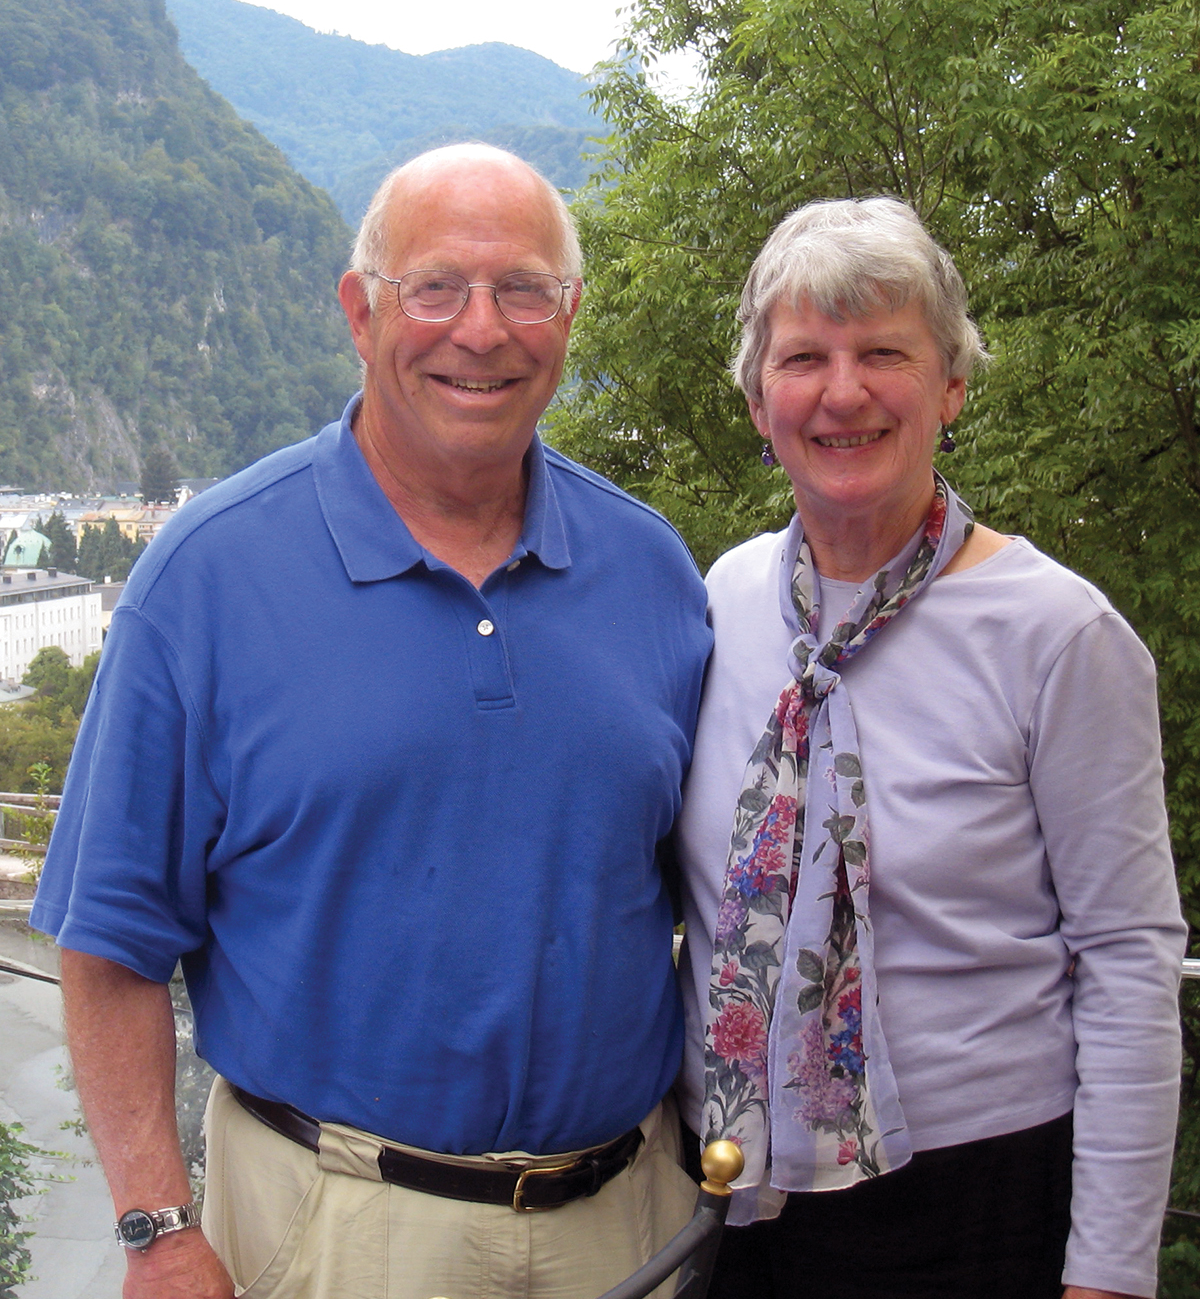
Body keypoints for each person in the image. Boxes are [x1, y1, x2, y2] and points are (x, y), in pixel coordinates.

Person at [31, 144, 712, 1299]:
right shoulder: (208, 580)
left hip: (627, 1223)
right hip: (333, 1230)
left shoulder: (651, 573)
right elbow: (107, 943)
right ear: (360, 312)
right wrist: (158, 1228)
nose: (481, 330)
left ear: (569, 315)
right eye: (435, 288)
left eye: (524, 290)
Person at [675, 198, 1186, 1299]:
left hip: (978, 1203)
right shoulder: (722, 600)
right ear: (759, 399)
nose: (843, 391)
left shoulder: (1057, 634)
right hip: (729, 1193)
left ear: (950, 386)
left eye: (884, 353)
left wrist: (1107, 1271)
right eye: (803, 357)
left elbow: (1129, 959)